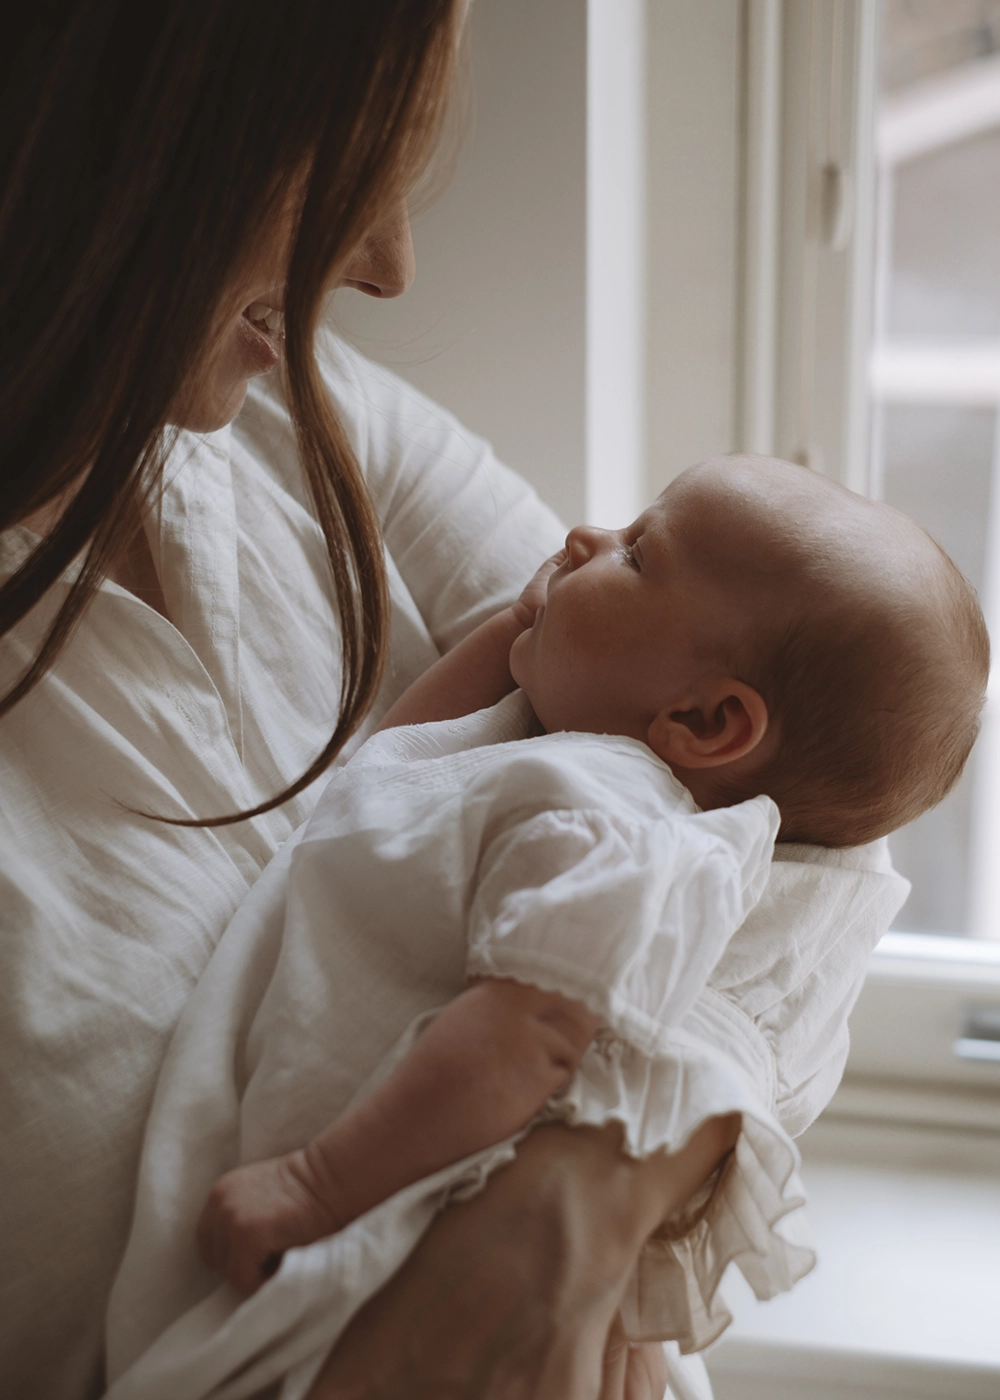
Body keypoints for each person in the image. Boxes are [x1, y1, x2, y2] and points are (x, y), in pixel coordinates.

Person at [0, 6, 782, 1398]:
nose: (390, 264)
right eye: (346, 155)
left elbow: (811, 817)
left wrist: (556, 1225)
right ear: (126, 126)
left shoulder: (310, 416)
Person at [101, 458, 976, 1397]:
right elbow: (393, 766)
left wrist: (319, 1183)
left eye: (637, 554)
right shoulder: (543, 765)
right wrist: (524, 627)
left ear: (707, 718)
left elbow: (533, 1035)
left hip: (382, 1247)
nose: (583, 539)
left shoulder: (619, 824)